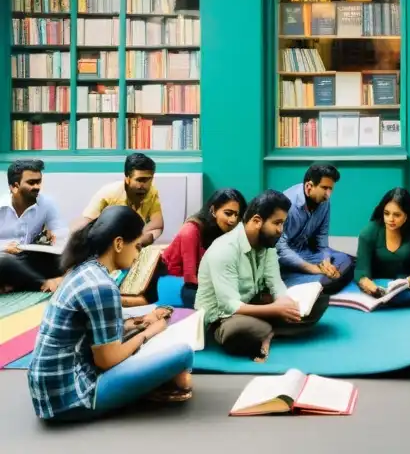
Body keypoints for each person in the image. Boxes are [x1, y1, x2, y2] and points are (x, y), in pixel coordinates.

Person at [27, 206, 193, 422]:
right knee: (184, 353)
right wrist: (148, 333)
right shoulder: (102, 286)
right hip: (74, 398)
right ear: (118, 244)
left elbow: (97, 329)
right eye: (137, 247)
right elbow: (107, 360)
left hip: (50, 392)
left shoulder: (85, 269)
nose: (138, 255)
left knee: (154, 346)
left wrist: (140, 323)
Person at [195, 189, 330, 362]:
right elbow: (230, 306)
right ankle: (267, 329)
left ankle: (267, 331)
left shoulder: (267, 244)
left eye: (283, 223)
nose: (281, 230)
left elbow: (275, 282)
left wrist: (282, 300)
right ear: (257, 221)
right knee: (238, 331)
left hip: (252, 304)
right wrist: (276, 310)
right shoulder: (224, 250)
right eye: (277, 223)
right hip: (223, 318)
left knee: (320, 300)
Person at [352, 188, 410, 312]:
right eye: (386, 213)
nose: (390, 219)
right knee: (350, 282)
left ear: (407, 215)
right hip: (379, 284)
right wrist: (373, 288)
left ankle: (391, 301)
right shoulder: (369, 232)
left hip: (409, 285)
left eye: (397, 215)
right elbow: (361, 271)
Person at [160, 188, 247, 308]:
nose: (233, 220)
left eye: (236, 215)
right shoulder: (190, 231)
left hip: (207, 281)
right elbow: (190, 277)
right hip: (180, 282)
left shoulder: (225, 230)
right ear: (213, 210)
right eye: (228, 213)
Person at [276, 163, 353, 295]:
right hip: (284, 259)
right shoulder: (287, 204)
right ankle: (316, 282)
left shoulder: (325, 203)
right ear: (309, 186)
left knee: (345, 259)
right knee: (337, 273)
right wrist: (312, 269)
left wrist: (326, 262)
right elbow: (280, 249)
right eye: (324, 188)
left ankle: (321, 282)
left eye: (331, 189)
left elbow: (322, 240)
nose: (328, 195)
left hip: (306, 252)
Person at [0, 159, 67, 294]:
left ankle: (15, 283)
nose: (37, 187)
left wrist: (55, 237)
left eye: (39, 182)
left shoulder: (47, 204)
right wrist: (5, 248)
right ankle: (41, 284)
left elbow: (62, 236)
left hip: (28, 260)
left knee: (67, 258)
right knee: (5, 262)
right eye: (31, 183)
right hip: (4, 259)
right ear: (14, 186)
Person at [75, 153, 163, 246]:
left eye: (148, 180)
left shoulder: (151, 192)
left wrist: (147, 237)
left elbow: (157, 225)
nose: (144, 186)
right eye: (139, 180)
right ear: (127, 179)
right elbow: (85, 229)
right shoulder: (108, 194)